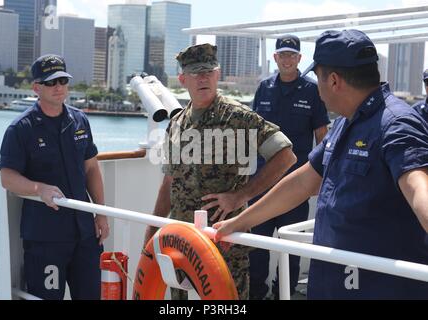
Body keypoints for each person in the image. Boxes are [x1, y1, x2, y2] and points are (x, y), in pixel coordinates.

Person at [214, 30, 428, 299]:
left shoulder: (396, 124)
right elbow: (303, 182)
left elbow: (420, 189)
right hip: (332, 282)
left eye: (319, 78)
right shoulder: (345, 123)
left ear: (334, 80)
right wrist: (239, 222)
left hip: (378, 287)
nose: (318, 87)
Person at [143, 43, 297, 300]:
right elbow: (169, 181)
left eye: (208, 71)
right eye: (195, 72)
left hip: (223, 241)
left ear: (217, 75)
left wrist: (240, 196)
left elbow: (285, 156)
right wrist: (152, 231)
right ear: (183, 79)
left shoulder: (237, 117)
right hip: (181, 239)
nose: (202, 78)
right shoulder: (177, 124)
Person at [0, 54, 109, 300]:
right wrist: (39, 188)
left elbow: (91, 169)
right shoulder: (20, 129)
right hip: (46, 240)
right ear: (36, 87)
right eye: (50, 82)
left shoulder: (80, 120)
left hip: (85, 235)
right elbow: (7, 177)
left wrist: (101, 213)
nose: (58, 87)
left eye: (62, 80)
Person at [249, 34, 330, 299]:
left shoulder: (312, 90)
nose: (287, 59)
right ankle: (255, 295)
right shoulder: (264, 88)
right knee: (256, 246)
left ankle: (284, 294)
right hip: (261, 182)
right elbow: (252, 134)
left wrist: (321, 177)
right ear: (275, 58)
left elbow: (323, 137)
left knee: (290, 248)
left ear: (299, 59)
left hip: (297, 185)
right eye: (282, 54)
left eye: (291, 55)